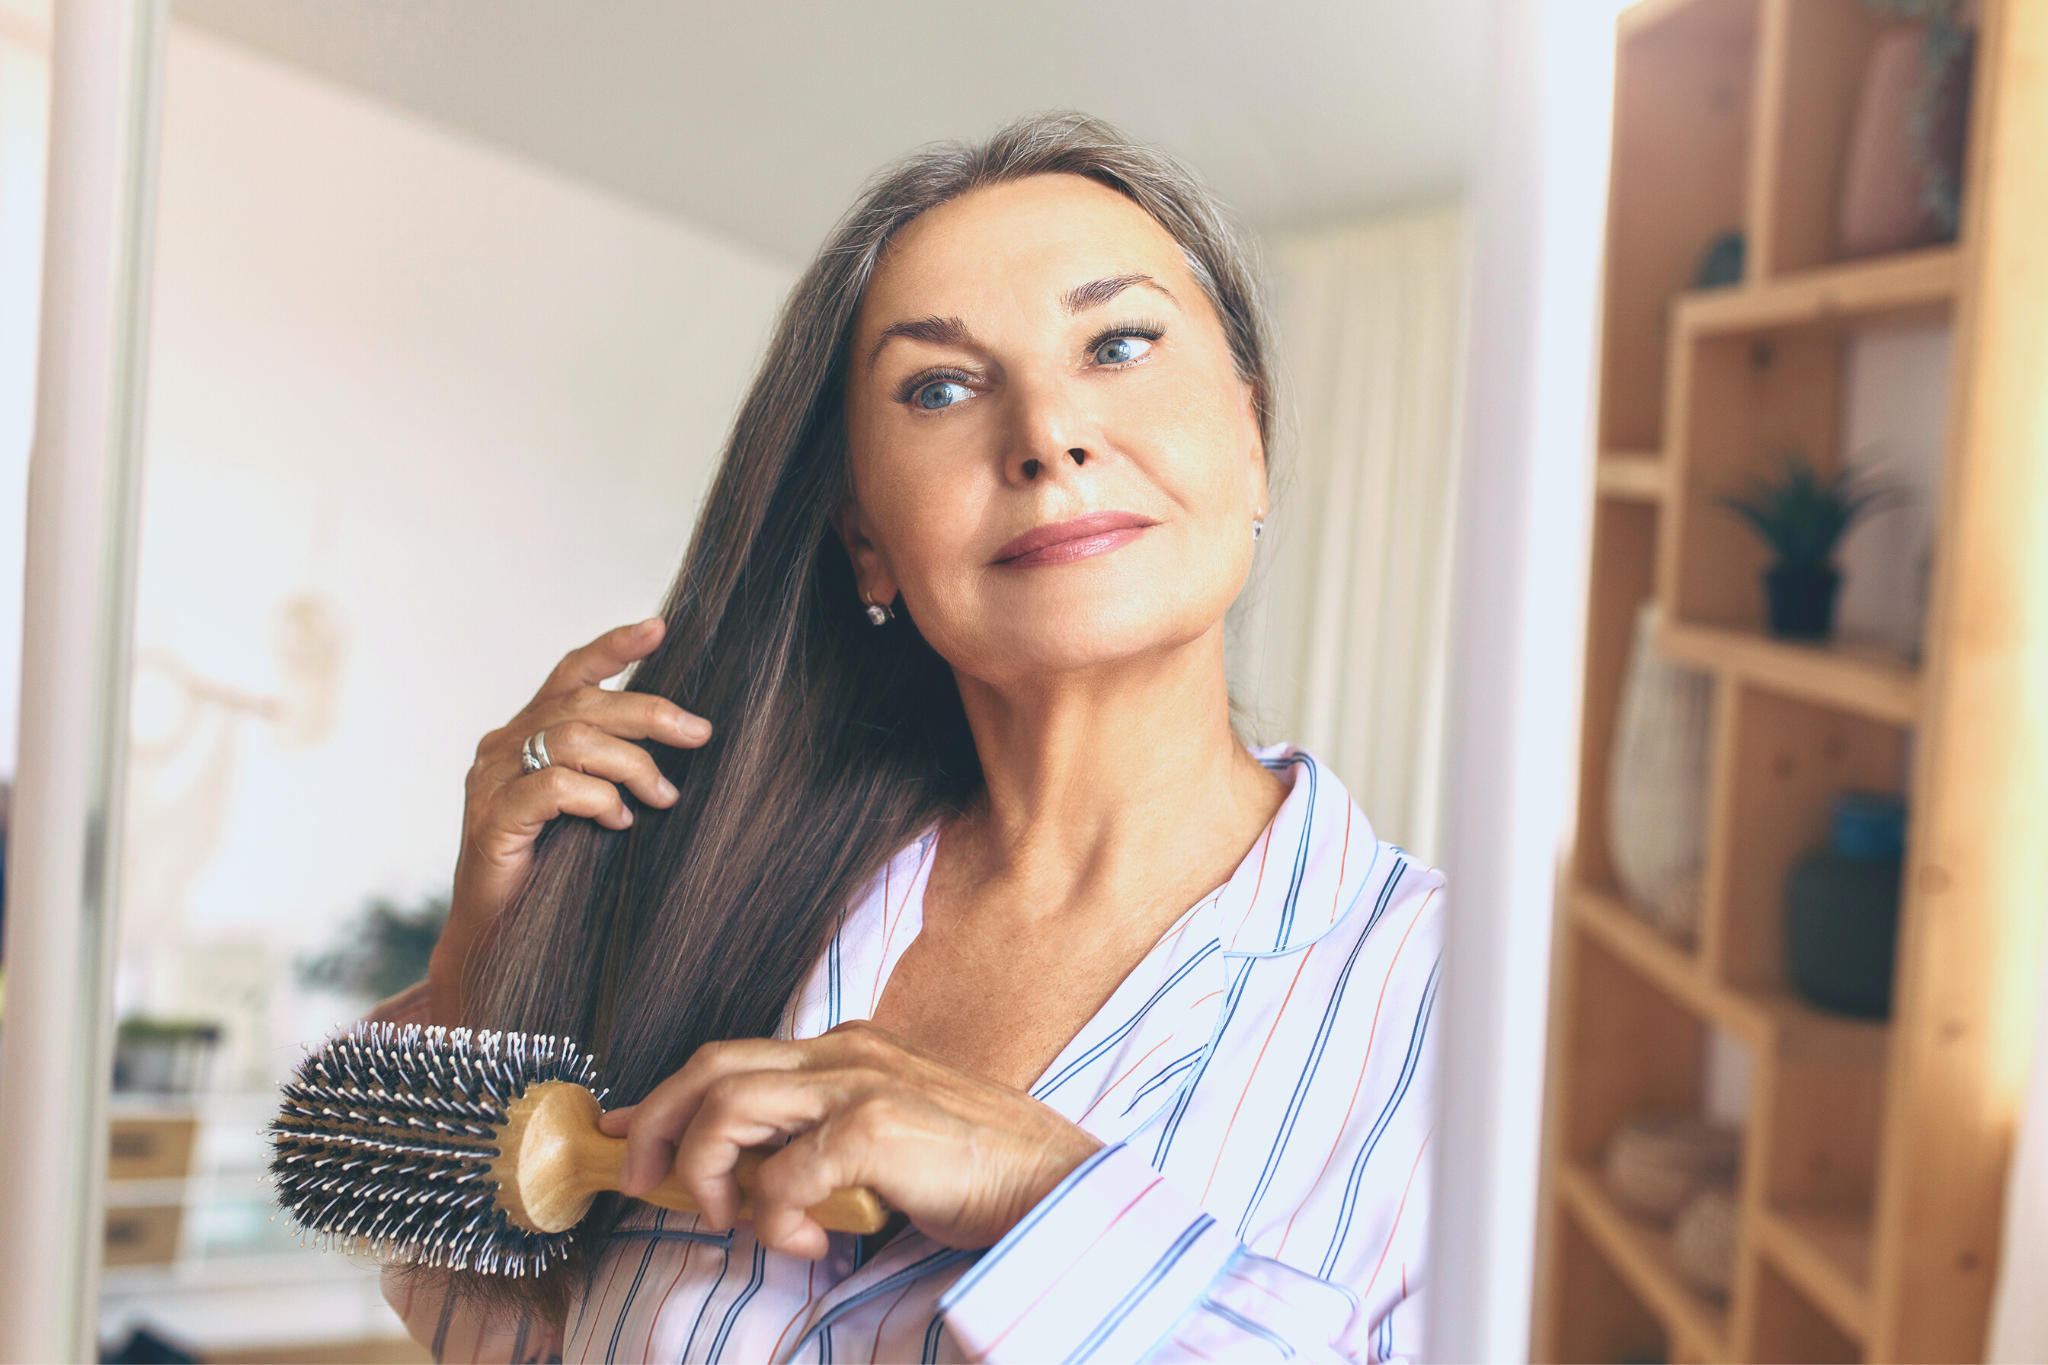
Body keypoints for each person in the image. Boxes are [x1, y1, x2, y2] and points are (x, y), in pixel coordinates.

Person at [383, 112, 1442, 1364]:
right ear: (865, 536)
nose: (1046, 435)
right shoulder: (712, 891)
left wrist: (1044, 1193)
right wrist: (487, 965)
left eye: (1116, 343)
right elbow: (491, 1330)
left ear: (1252, 438)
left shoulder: (1460, 1007)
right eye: (939, 387)